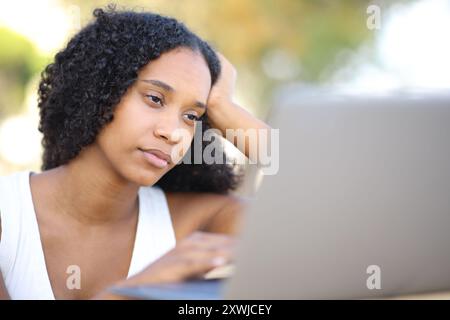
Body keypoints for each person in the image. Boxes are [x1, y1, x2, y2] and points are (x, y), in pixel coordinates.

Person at [0, 5, 271, 299]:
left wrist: (221, 106)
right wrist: (132, 292)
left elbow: (321, 223)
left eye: (191, 116)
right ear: (102, 91)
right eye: (155, 98)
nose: (173, 132)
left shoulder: (196, 222)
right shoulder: (8, 216)